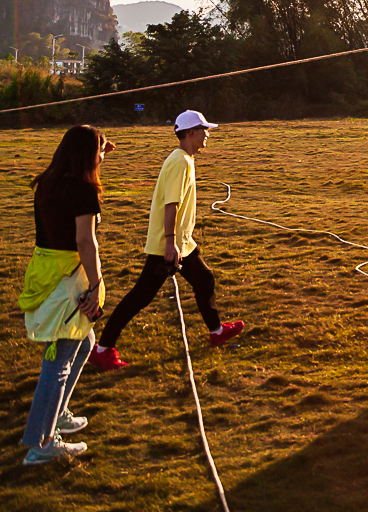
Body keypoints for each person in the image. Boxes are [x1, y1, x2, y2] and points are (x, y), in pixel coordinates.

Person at [89, 111, 244, 371]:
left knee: (204, 279)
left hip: (182, 242)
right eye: (204, 129)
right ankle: (102, 349)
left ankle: (216, 331)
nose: (208, 134)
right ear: (191, 132)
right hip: (169, 244)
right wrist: (170, 243)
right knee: (140, 296)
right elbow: (170, 204)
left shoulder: (185, 159)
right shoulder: (180, 161)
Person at [18, 125, 112, 465]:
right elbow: (85, 241)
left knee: (83, 344)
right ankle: (42, 442)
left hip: (44, 267)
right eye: (101, 151)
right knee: (58, 361)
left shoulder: (47, 182)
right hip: (67, 277)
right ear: (88, 153)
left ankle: (56, 414)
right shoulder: (83, 188)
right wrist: (96, 282)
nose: (103, 157)